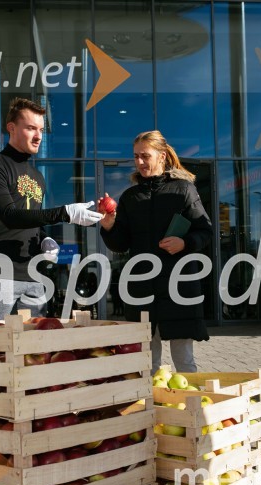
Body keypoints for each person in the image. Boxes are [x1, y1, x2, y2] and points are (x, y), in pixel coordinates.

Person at [0, 97, 102, 321]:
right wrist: (65, 213)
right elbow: (10, 216)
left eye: (41, 129)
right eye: (31, 128)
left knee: (33, 347)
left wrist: (44, 238)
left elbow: (29, 220)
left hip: (34, 275)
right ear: (11, 128)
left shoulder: (37, 177)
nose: (38, 136)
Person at [99, 130, 212, 374]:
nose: (139, 162)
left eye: (145, 156)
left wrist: (185, 243)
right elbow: (120, 244)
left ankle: (189, 411)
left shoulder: (184, 190)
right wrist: (108, 226)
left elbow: (206, 231)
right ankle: (148, 410)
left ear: (162, 156)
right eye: (136, 156)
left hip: (178, 286)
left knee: (184, 360)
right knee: (146, 362)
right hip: (142, 288)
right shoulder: (130, 197)